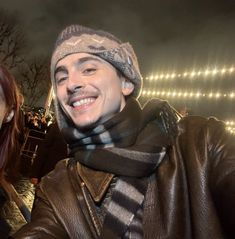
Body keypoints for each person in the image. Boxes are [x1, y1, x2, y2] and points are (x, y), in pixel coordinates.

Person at [13, 25, 235, 239]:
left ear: (126, 83)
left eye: (88, 69)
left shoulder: (201, 145)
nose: (71, 84)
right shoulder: (56, 188)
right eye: (61, 77)